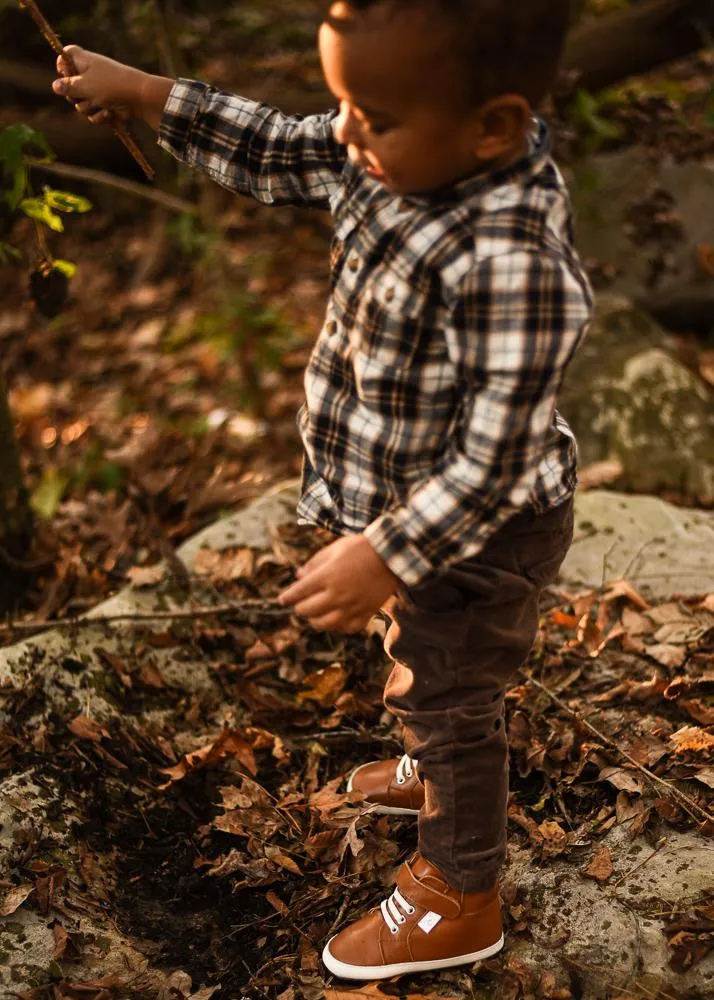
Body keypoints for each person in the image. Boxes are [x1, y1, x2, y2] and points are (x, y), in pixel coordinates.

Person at [53, 0, 592, 982]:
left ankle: (460, 888)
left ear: (494, 125)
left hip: (480, 533)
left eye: (370, 115)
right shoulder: (396, 153)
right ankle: (431, 766)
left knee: (453, 691)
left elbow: (499, 453)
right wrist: (144, 92)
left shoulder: (512, 255)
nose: (345, 131)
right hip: (412, 521)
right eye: (346, 102)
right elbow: (280, 145)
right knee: (416, 650)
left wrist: (385, 548)